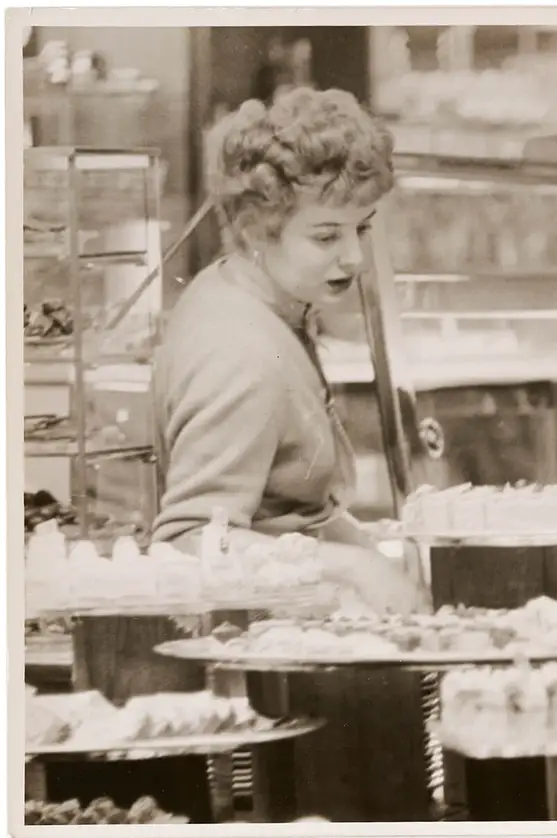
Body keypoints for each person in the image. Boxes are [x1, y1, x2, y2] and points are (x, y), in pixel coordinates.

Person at [151, 87, 429, 615]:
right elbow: (189, 539)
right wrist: (355, 566)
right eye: (326, 238)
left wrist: (370, 555)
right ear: (257, 228)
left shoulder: (263, 297)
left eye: (362, 229)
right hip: (243, 650)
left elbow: (291, 510)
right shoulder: (239, 352)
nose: (354, 258)